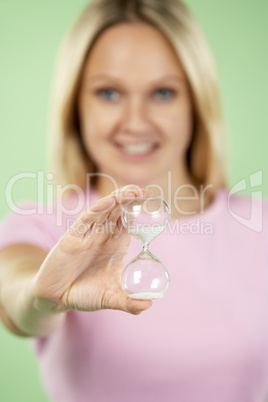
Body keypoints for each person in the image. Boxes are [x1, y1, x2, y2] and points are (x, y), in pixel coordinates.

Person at [0, 0, 267, 401]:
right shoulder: (46, 224)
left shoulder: (257, 224)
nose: (136, 121)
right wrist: (41, 295)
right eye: (108, 93)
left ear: (195, 102)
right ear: (76, 107)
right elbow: (16, 292)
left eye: (162, 92)